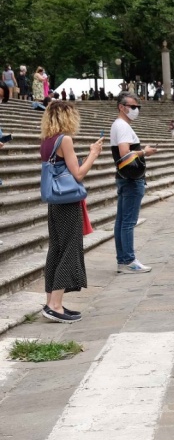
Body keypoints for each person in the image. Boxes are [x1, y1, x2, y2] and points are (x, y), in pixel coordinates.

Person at [40, 102, 105, 322]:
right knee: (70, 249)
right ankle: (55, 305)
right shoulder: (64, 139)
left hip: (55, 200)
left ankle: (51, 302)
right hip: (67, 201)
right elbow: (78, 174)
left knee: (56, 249)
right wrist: (93, 154)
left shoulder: (47, 141)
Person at [111, 92, 157, 273]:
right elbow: (124, 152)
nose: (136, 110)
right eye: (132, 107)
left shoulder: (119, 125)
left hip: (125, 177)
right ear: (122, 107)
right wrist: (144, 152)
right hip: (131, 179)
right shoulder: (122, 126)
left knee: (122, 220)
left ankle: (123, 260)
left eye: (137, 107)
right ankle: (128, 260)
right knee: (128, 221)